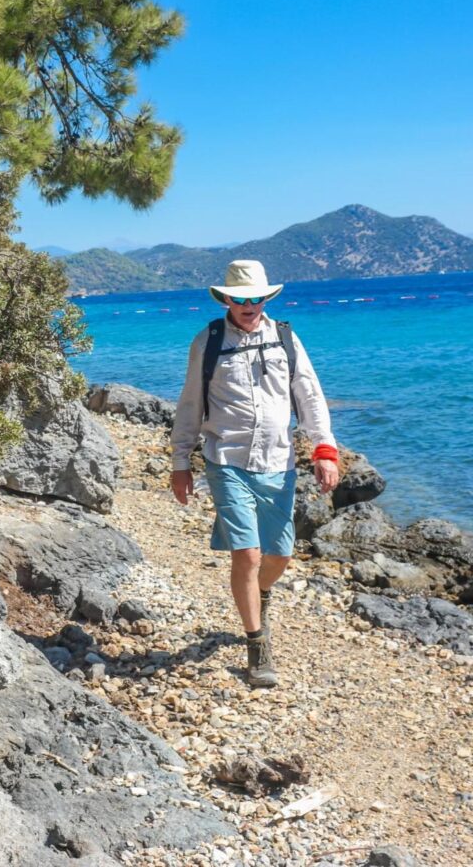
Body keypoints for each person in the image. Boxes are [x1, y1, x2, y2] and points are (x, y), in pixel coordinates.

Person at [169, 260, 340, 687]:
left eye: (256, 298)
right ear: (226, 298)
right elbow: (190, 403)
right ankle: (257, 643)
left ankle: (260, 595)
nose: (249, 305)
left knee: (279, 554)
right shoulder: (207, 341)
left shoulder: (285, 337)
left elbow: (311, 396)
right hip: (225, 458)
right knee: (246, 553)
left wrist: (324, 449)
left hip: (279, 462)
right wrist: (181, 461)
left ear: (267, 297)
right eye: (240, 298)